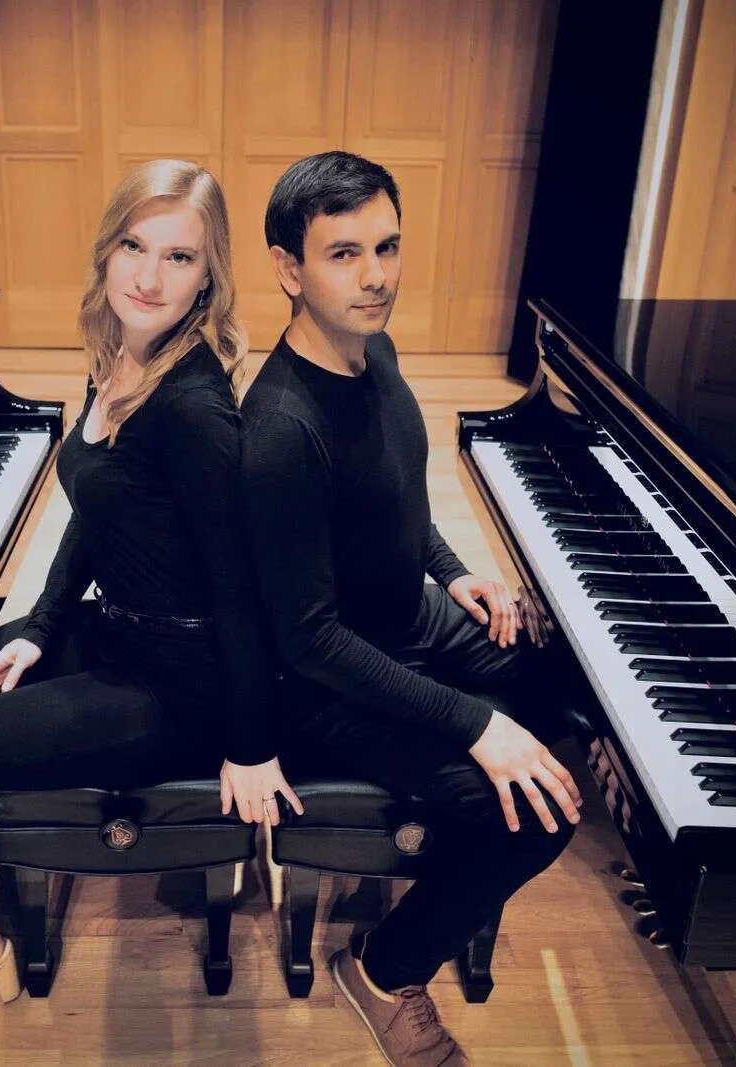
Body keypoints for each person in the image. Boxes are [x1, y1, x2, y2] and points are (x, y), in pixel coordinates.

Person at [0, 159, 301, 1033]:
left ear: (209, 278)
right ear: (107, 251)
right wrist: (40, 626)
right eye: (133, 245)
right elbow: (97, 508)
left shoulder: (191, 411)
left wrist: (249, 742)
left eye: (180, 258)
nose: (149, 276)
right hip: (119, 628)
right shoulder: (119, 356)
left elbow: (239, 589)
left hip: (177, 682)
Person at [239, 151, 584, 1066]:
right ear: (287, 269)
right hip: (322, 679)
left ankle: (452, 874)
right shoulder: (280, 429)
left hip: (405, 616)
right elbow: (309, 639)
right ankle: (386, 968)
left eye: (387, 247)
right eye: (344, 254)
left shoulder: (375, 352)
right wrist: (474, 724)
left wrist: (453, 567)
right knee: (544, 813)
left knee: (571, 685)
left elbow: (398, 495)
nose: (378, 275)